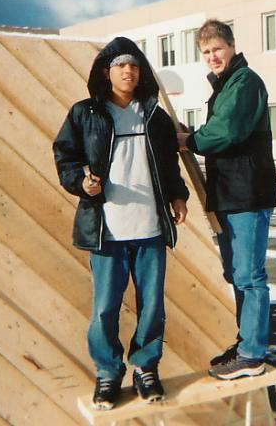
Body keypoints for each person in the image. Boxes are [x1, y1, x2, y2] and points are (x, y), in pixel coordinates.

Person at [53, 36, 189, 410]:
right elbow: (65, 158)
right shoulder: (85, 113)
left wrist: (178, 196)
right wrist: (81, 181)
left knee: (151, 306)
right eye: (120, 65)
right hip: (106, 230)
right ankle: (108, 374)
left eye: (134, 65)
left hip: (150, 229)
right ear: (105, 72)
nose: (128, 71)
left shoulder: (154, 116)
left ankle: (146, 369)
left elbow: (169, 167)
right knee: (105, 307)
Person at [177, 19, 276, 380]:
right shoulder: (226, 85)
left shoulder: (244, 82)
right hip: (231, 194)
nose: (212, 57)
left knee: (250, 277)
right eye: (206, 52)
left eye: (217, 49)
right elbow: (221, 129)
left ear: (232, 46)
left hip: (247, 194)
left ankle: (252, 354)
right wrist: (194, 136)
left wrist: (191, 141)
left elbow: (228, 130)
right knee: (237, 275)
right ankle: (246, 342)